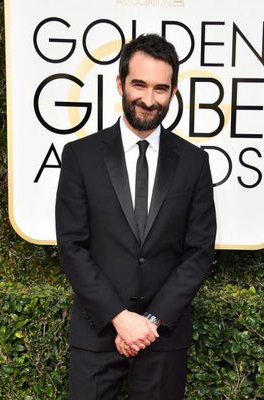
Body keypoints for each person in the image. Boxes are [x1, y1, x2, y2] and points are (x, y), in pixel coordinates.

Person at [56, 33, 216, 400]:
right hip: (97, 333)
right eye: (139, 84)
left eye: (161, 88)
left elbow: (199, 252)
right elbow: (72, 247)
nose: (148, 99)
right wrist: (119, 317)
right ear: (120, 84)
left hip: (163, 340)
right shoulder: (80, 156)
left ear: (174, 92)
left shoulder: (194, 162)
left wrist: (151, 321)